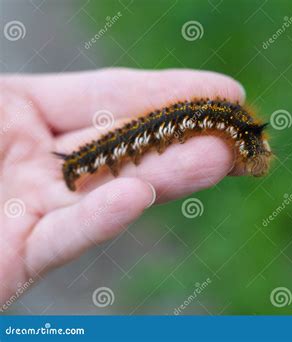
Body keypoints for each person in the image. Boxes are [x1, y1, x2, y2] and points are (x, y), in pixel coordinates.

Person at [0, 68, 245, 305]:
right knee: (121, 149)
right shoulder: (205, 119)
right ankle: (78, 164)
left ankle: (77, 164)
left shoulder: (208, 119)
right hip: (105, 151)